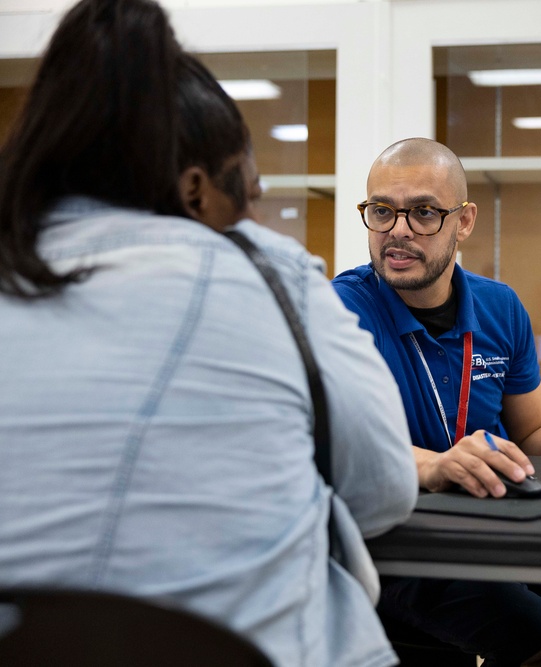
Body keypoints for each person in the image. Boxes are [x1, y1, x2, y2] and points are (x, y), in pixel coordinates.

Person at [0, 2, 417, 667]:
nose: (254, 215)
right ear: (196, 192)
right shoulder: (272, 276)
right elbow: (384, 488)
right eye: (248, 195)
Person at [332, 137, 541, 666]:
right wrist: (436, 465)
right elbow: (341, 449)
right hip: (395, 546)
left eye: (424, 212)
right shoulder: (339, 312)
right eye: (381, 211)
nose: (398, 230)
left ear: (465, 221)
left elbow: (535, 430)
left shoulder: (500, 307)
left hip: (491, 532)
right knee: (540, 634)